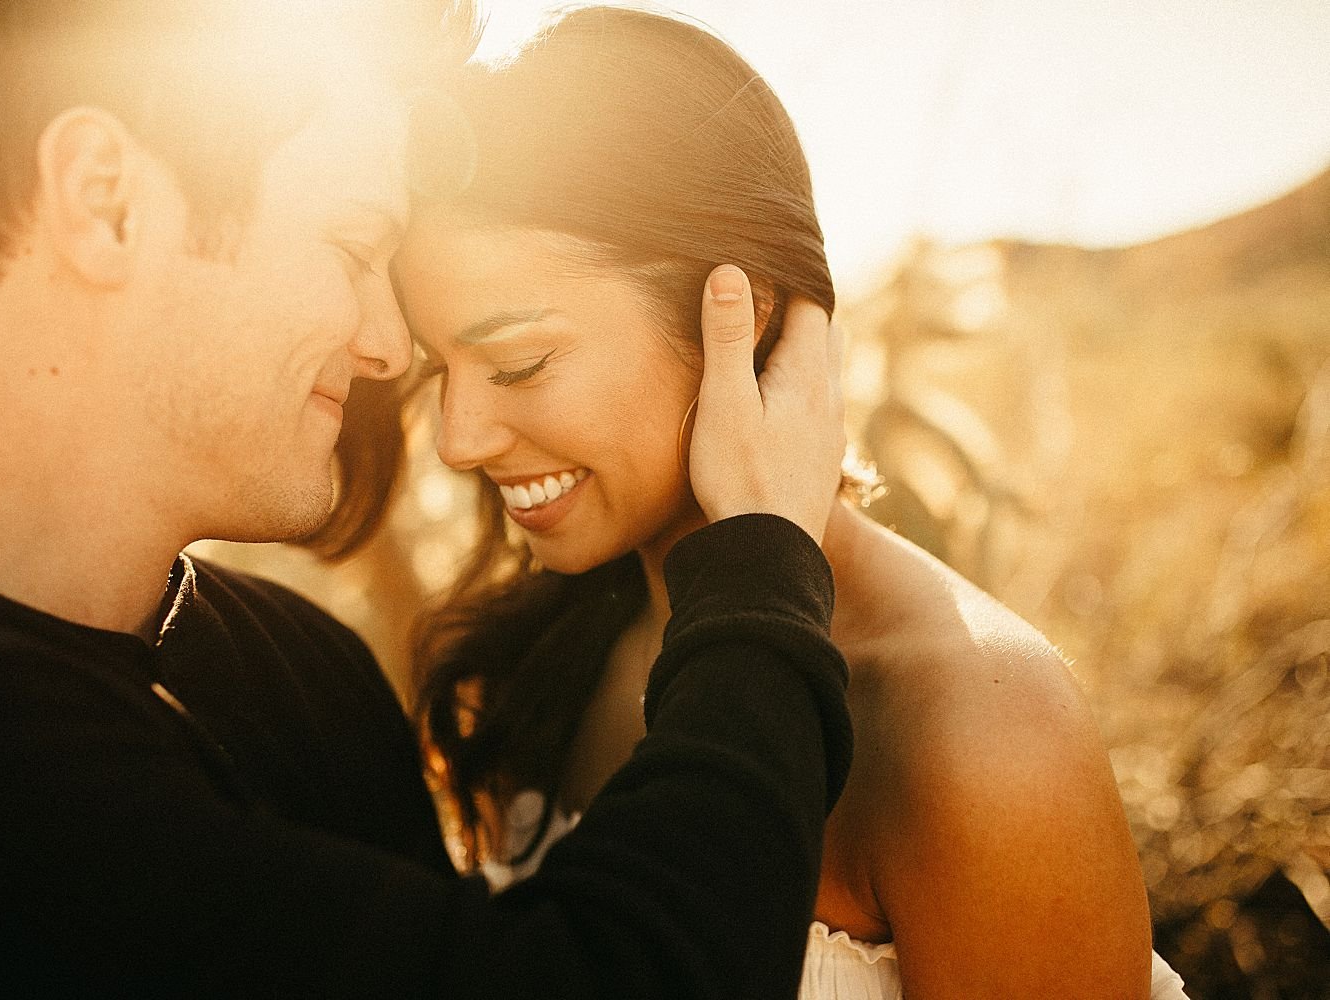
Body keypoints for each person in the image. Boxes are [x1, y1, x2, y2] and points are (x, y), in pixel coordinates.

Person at [0, 2, 857, 996]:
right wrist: (760, 565)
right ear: (107, 200)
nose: (387, 347)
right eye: (353, 246)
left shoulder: (297, 671)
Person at [394, 7, 1189, 998]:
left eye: (519, 360)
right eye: (440, 365)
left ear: (742, 312)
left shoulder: (979, 727)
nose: (457, 437)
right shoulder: (558, 644)